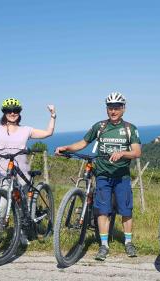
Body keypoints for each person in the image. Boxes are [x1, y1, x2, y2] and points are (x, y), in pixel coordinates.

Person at [55, 92, 141, 261]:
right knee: (103, 211)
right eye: (110, 108)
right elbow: (83, 143)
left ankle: (128, 242)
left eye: (117, 107)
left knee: (126, 210)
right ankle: (104, 245)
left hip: (121, 176)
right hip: (102, 175)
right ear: (107, 109)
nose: (113, 111)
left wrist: (122, 152)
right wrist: (67, 148)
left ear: (123, 109)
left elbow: (137, 152)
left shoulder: (130, 128)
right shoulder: (100, 127)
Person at [0, 98, 56, 252]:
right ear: (4, 113)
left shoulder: (26, 130)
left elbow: (48, 133)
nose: (12, 113)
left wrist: (53, 116)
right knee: (1, 204)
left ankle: (21, 233)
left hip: (21, 170)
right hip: (0, 170)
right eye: (9, 111)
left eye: (16, 111)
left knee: (22, 205)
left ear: (19, 113)